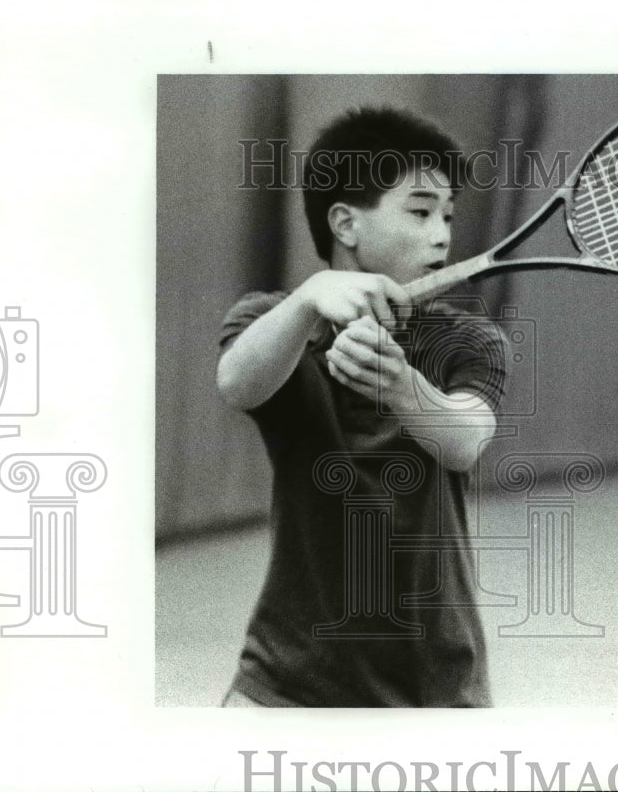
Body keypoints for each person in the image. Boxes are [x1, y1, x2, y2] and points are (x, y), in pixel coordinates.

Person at [216, 107, 507, 707]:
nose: (443, 235)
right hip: (287, 681)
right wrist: (305, 305)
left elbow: (466, 440)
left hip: (438, 688)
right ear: (345, 224)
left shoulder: (470, 339)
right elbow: (237, 384)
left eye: (448, 215)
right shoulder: (269, 322)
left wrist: (404, 388)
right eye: (421, 211)